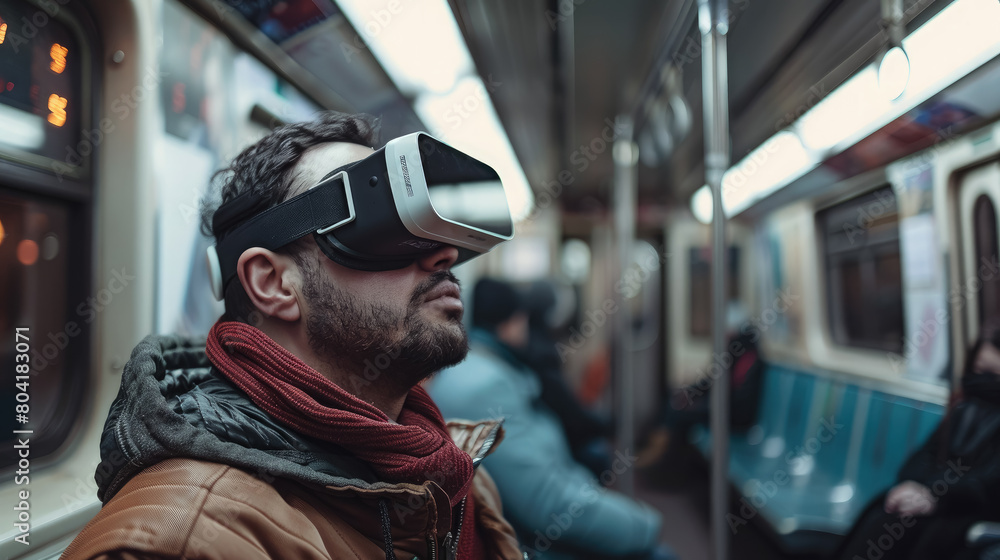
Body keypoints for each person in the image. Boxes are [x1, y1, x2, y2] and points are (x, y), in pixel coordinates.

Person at [61, 113, 523, 560]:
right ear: (273, 284)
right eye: (382, 220)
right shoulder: (187, 540)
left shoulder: (458, 477)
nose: (445, 253)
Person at [428, 279, 672, 560]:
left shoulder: (472, 368)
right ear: (514, 321)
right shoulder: (488, 385)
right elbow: (546, 503)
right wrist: (643, 525)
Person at [835, 329, 1000, 560]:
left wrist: (935, 496)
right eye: (980, 370)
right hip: (934, 494)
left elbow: (989, 484)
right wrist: (915, 487)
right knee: (884, 515)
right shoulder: (962, 408)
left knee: (920, 534)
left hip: (967, 508)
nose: (982, 381)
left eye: (994, 376)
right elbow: (925, 456)